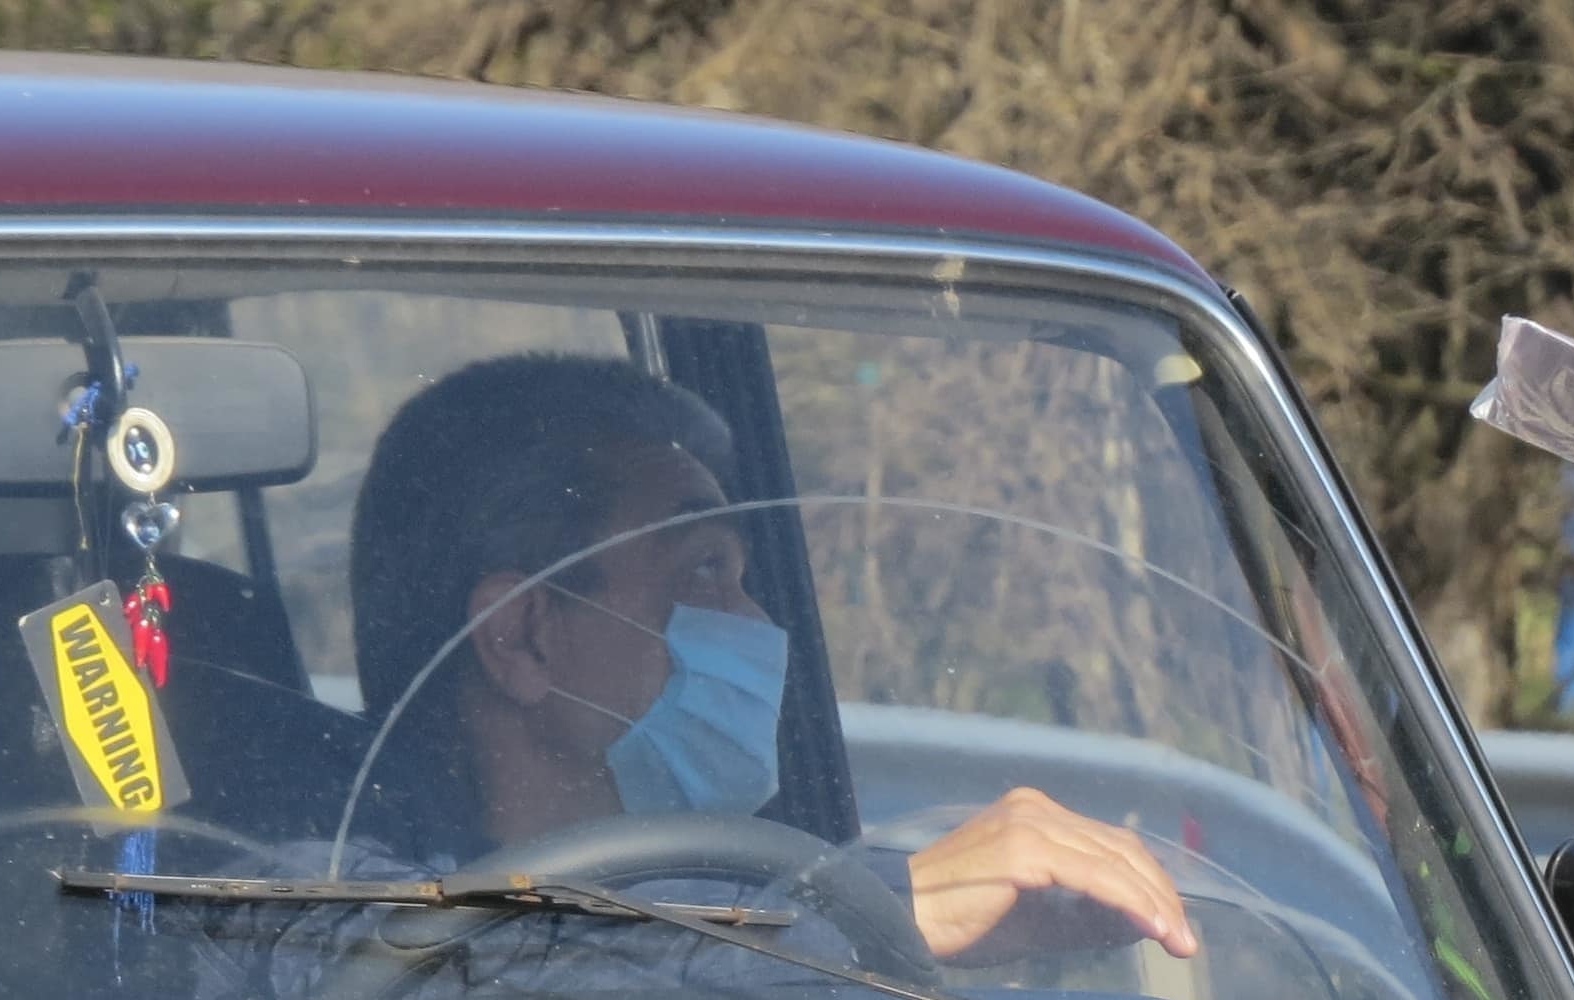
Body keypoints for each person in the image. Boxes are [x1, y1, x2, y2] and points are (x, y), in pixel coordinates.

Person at [345, 351, 1197, 966]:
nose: (756, 621)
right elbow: (450, 979)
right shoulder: (302, 891)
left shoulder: (750, 889)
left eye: (743, 575)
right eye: (704, 572)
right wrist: (881, 917)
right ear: (524, 635)